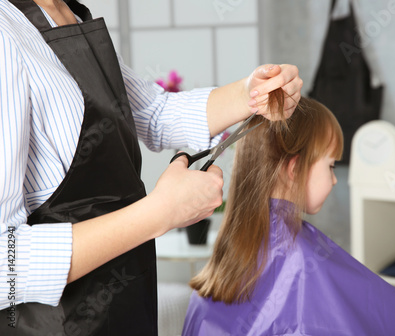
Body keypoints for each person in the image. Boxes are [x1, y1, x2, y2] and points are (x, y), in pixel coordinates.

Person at [0, 0, 302, 334]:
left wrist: (252, 93)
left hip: (125, 305)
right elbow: (4, 264)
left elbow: (154, 113)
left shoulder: (68, 13)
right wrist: (159, 214)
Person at [182, 96, 395, 335]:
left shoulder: (226, 253)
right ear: (294, 168)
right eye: (331, 165)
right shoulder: (302, 258)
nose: (334, 180)